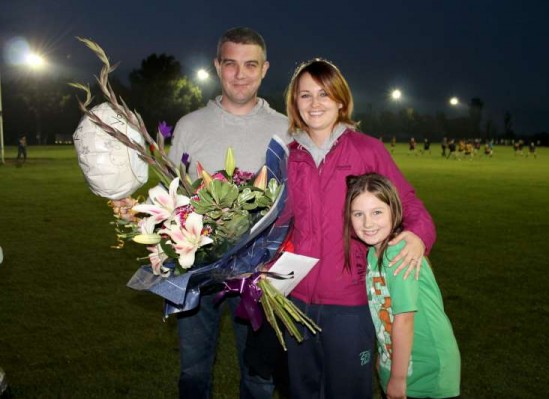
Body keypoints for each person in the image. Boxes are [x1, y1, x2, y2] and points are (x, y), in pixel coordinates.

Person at [282, 58, 436, 398]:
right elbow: (273, 223)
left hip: (350, 303)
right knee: (300, 392)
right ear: (295, 103)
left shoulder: (368, 149)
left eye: (324, 94)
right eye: (305, 95)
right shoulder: (286, 157)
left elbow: (408, 202)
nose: (315, 103)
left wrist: (419, 236)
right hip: (295, 302)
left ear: (340, 100)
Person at [167, 27, 290, 399]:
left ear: (265, 69)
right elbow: (171, 195)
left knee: (258, 376)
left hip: (258, 277)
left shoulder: (286, 129)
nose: (240, 74)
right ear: (217, 66)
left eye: (250, 65)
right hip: (197, 274)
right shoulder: (189, 125)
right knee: (192, 372)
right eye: (231, 64)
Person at [344, 173, 460, 399]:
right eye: (358, 214)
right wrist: (386, 356)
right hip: (401, 363)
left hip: (428, 369)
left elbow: (404, 318)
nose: (368, 223)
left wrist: (397, 378)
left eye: (377, 212)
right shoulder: (371, 254)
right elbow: (383, 309)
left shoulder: (397, 253)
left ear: (394, 211)